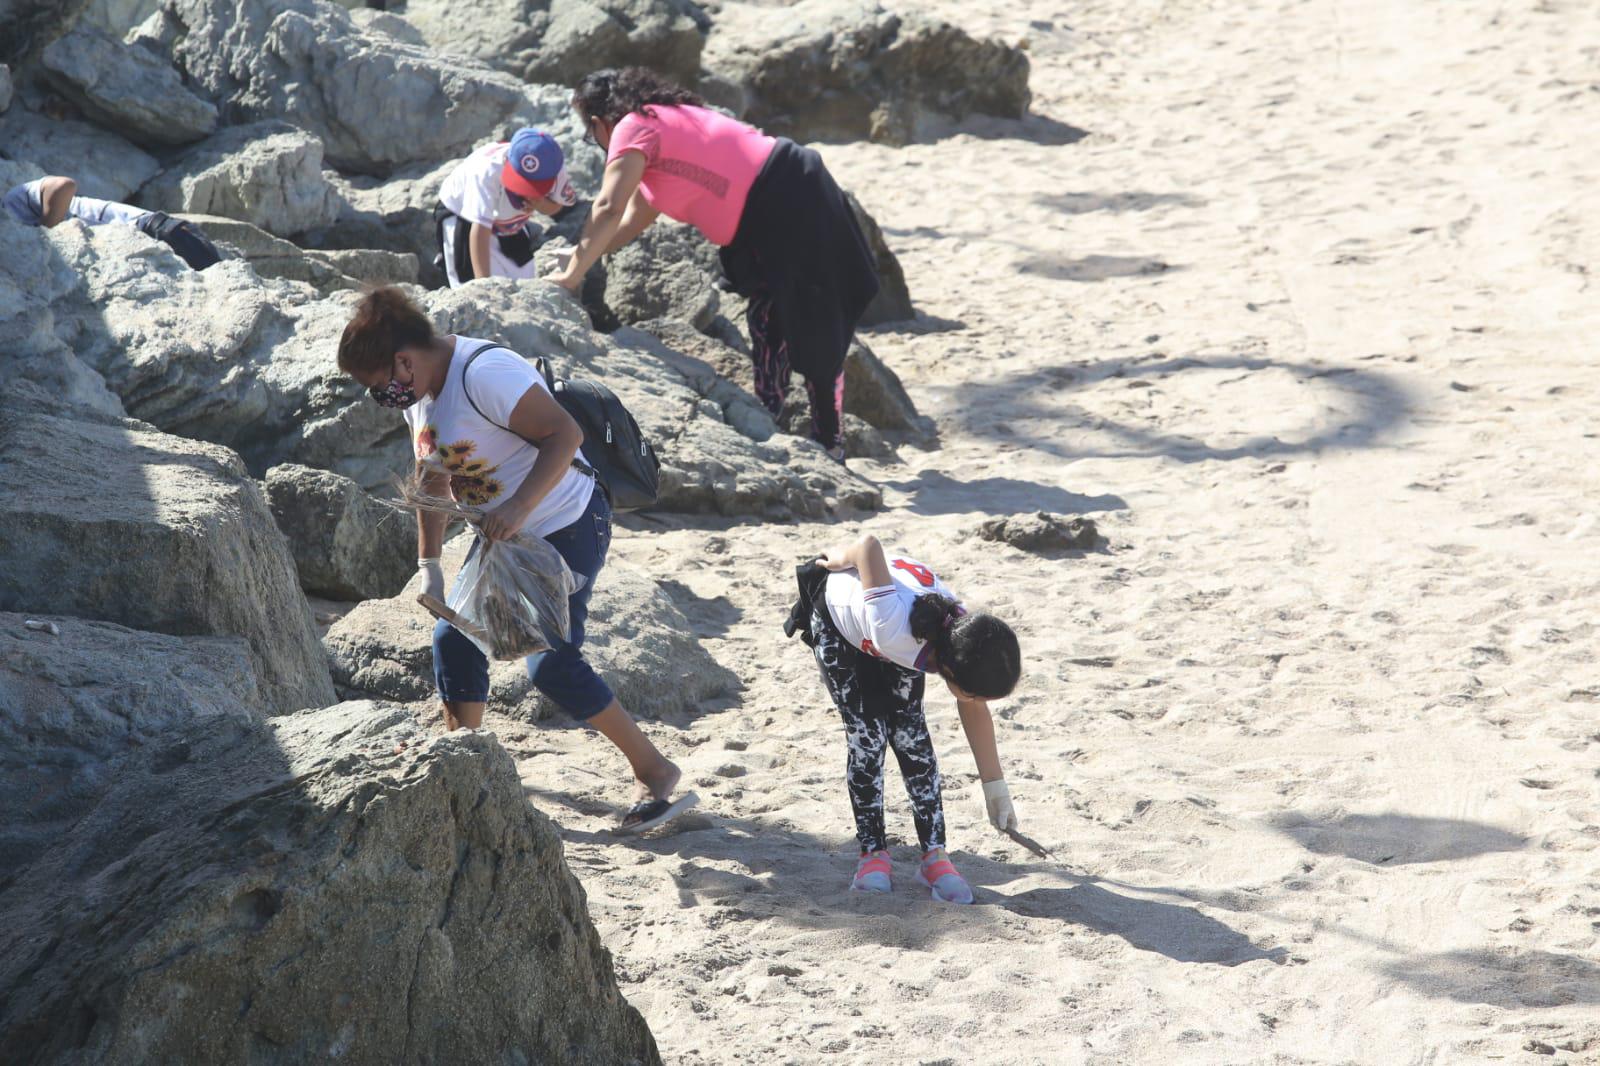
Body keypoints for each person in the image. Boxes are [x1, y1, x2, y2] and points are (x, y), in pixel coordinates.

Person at [336, 286, 696, 833]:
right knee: (453, 639)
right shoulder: (422, 397)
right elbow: (433, 474)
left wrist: (519, 506)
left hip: (568, 522)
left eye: (377, 385)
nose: (380, 396)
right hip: (505, 536)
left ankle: (657, 773)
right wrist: (429, 562)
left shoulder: (485, 373)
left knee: (551, 664)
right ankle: (465, 770)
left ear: (403, 361)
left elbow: (564, 435)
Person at [548, 67, 880, 462]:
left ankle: (829, 441)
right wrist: (583, 256)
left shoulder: (633, 127)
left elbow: (607, 207)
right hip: (773, 203)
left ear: (601, 123)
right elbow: (631, 219)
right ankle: (773, 417)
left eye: (592, 136)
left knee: (811, 320)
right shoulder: (660, 126)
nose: (599, 144)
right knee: (768, 318)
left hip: (787, 193)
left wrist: (571, 276)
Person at [788, 533, 1023, 903]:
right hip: (841, 620)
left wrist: (996, 789)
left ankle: (935, 857)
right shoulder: (895, 627)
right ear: (948, 671)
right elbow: (868, 547)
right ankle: (873, 855)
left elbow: (973, 707)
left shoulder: (956, 636)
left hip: (895, 631)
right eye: (976, 693)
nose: (978, 702)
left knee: (912, 737)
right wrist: (839, 558)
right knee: (868, 737)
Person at [436, 128, 579, 288]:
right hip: (464, 215)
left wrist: (540, 204)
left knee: (523, 282)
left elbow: (555, 206)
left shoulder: (552, 166)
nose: (527, 192)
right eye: (522, 185)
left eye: (534, 188)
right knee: (471, 285)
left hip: (508, 222)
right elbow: (479, 231)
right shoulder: (486, 172)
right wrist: (483, 286)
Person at [3, 173, 221, 270]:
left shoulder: (13, 202)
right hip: (151, 246)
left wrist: (50, 233)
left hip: (164, 232)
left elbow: (63, 185)